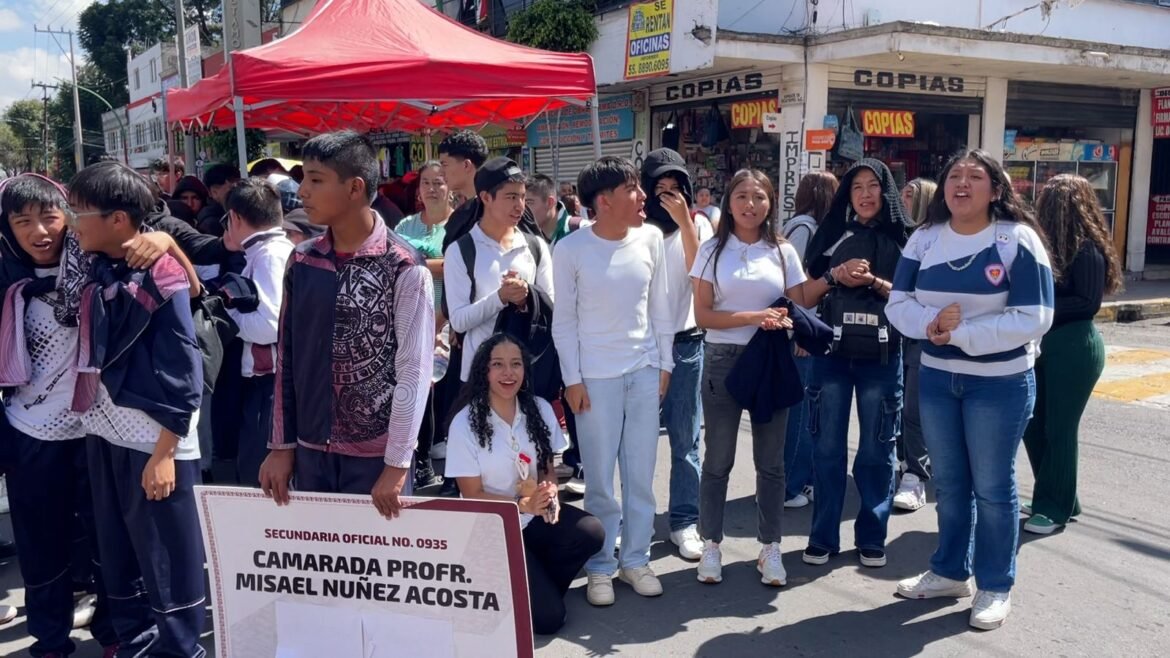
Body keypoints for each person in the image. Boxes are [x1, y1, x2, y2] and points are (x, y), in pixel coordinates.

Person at [886, 149, 1054, 630]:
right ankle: (949, 571)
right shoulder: (924, 239)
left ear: (996, 190)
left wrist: (957, 332)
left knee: (994, 489)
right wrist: (932, 324)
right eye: (954, 176)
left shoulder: (1016, 240)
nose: (962, 183)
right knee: (952, 485)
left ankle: (996, 585)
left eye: (975, 177)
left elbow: (1035, 317)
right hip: (938, 378)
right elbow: (899, 304)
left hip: (999, 385)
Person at [68, 161, 208, 657]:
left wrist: (166, 452)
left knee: (167, 562)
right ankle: (134, 645)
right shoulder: (97, 264)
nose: (69, 221)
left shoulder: (159, 273)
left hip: (152, 439)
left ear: (119, 220)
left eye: (79, 212)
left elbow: (183, 372)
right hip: (105, 429)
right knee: (120, 553)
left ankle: (179, 649)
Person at [257, 131, 434, 517]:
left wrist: (396, 464)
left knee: (381, 571)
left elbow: (415, 372)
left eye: (316, 179)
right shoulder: (302, 261)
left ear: (355, 188)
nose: (302, 191)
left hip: (376, 463)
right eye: (304, 178)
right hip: (311, 453)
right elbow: (287, 358)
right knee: (318, 569)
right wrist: (281, 446)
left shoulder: (404, 267)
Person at [0, 174, 119, 657]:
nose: (38, 231)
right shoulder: (5, 278)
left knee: (109, 541)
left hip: (99, 431)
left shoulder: (99, 266)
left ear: (68, 217)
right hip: (30, 434)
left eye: (49, 216)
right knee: (40, 545)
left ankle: (115, 631)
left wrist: (162, 239)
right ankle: (50, 641)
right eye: (22, 220)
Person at [551, 156, 674, 606]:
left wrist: (665, 365)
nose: (643, 197)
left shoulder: (652, 239)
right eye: (633, 190)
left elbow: (660, 305)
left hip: (642, 373)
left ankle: (635, 559)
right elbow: (563, 322)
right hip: (594, 380)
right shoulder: (570, 250)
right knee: (600, 480)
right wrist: (573, 380)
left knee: (640, 475)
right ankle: (601, 564)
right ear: (603, 202)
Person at [688, 169, 808, 585]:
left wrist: (795, 326)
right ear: (729, 200)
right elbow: (702, 316)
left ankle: (770, 547)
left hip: (772, 360)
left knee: (771, 463)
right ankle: (712, 545)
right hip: (723, 357)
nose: (750, 204)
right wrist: (756, 317)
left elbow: (798, 307)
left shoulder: (783, 251)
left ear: (771, 203)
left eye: (759, 197)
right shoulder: (711, 250)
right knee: (718, 458)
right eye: (741, 195)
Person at [445, 333, 604, 635]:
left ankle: (520, 586)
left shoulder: (539, 408)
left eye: (516, 364)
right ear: (484, 371)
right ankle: (512, 584)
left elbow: (546, 468)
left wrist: (550, 491)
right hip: (490, 530)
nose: (508, 373)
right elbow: (471, 493)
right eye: (498, 365)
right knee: (549, 619)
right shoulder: (464, 423)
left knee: (591, 532)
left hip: (532, 519)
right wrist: (522, 504)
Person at [798, 158, 911, 570]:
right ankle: (822, 537)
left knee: (876, 452)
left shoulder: (907, 240)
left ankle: (872, 536)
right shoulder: (831, 235)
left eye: (873, 186)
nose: (865, 194)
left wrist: (874, 283)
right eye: (857, 186)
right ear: (847, 193)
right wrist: (836, 275)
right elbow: (804, 296)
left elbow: (916, 298)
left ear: (887, 192)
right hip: (831, 358)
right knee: (826, 449)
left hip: (882, 359)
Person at [1022, 174, 1121, 534]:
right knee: (1032, 425)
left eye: (1051, 199)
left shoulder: (1086, 248)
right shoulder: (1044, 249)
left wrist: (1038, 308)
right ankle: (1060, 495)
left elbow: (1087, 302)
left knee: (1059, 428)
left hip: (1074, 346)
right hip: (1045, 345)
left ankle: (1055, 507)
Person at [640, 148, 713, 561]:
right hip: (643, 345)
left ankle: (684, 521)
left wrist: (686, 221)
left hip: (686, 343)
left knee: (686, 440)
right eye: (659, 190)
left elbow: (697, 272)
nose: (667, 198)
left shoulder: (697, 224)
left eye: (676, 189)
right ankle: (634, 522)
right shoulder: (634, 227)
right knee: (636, 443)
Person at [445, 158, 553, 383]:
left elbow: (551, 307)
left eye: (523, 197)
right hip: (480, 377)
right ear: (485, 197)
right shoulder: (462, 250)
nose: (520, 206)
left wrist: (527, 297)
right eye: (511, 197)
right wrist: (501, 297)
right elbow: (458, 321)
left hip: (527, 371)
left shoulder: (535, 246)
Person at [222, 178, 295, 487]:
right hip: (270, 383)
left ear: (235, 217)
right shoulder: (270, 250)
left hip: (272, 383)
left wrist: (225, 313)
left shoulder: (268, 254)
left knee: (261, 479)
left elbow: (269, 327)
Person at [780, 171, 839, 509]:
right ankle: (792, 484)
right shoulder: (805, 230)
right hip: (803, 333)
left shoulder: (795, 227)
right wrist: (802, 330)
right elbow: (796, 289)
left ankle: (798, 479)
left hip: (801, 331)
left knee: (802, 412)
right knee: (802, 415)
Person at [395, 161, 454, 490]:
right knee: (411, 389)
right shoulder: (405, 223)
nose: (432, 189)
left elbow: (454, 269)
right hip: (405, 314)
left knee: (428, 390)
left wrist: (417, 264)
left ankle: (425, 463)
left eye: (439, 182)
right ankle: (413, 456)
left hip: (442, 316)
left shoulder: (456, 224)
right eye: (426, 183)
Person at [892, 177, 938, 513]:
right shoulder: (900, 234)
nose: (903, 198)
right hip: (897, 332)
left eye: (910, 194)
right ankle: (906, 462)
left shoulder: (936, 239)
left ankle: (916, 474)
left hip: (925, 335)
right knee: (900, 405)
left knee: (914, 409)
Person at [527, 173, 578, 245]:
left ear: (550, 202)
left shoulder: (580, 229)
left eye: (529, 203)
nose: (523, 209)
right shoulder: (524, 238)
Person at [197, 163, 242, 235]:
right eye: (232, 189)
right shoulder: (211, 222)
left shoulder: (235, 212)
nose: (238, 191)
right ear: (213, 192)